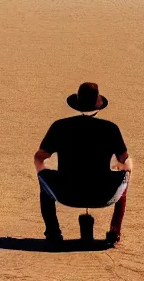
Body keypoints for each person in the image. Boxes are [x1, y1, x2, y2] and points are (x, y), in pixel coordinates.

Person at [34, 82, 132, 245]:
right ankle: (115, 231)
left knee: (43, 179)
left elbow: (39, 157)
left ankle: (53, 232)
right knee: (128, 169)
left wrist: (44, 172)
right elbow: (124, 159)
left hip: (67, 193)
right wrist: (121, 168)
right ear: (98, 105)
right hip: (103, 194)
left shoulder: (60, 126)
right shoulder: (110, 129)